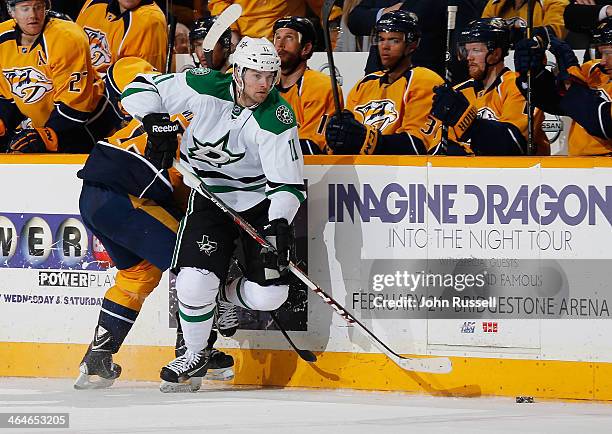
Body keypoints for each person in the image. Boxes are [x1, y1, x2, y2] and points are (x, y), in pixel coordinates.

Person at [121, 36, 306, 391]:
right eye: (256, 75)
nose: (265, 84)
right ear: (237, 72)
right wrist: (154, 118)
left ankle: (225, 295)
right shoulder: (204, 85)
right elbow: (139, 88)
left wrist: (280, 221)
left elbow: (287, 185)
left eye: (271, 75)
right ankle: (194, 354)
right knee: (193, 282)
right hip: (208, 196)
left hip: (258, 203)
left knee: (272, 296)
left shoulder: (277, 117)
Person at [74, 56, 237, 390]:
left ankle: (97, 359)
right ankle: (195, 352)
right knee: (195, 263)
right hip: (125, 197)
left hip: (93, 197)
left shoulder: (166, 109)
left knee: (139, 273)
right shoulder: (206, 124)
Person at [0, 0, 114, 153]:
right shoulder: (2, 38)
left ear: (46, 8)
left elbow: (75, 105)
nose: (32, 15)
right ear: (12, 12)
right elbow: (8, 95)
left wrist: (46, 136)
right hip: (44, 121)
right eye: (25, 9)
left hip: (87, 123)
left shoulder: (67, 38)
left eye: (38, 7)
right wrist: (3, 121)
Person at [326, 10, 445, 155]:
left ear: (412, 45)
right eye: (381, 39)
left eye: (394, 40)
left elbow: (416, 145)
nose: (385, 46)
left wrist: (367, 139)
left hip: (403, 172)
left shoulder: (424, 80)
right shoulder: (365, 83)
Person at [430, 18, 550, 155]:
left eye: (475, 50)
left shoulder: (520, 86)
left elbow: (514, 145)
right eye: (466, 50)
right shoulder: (458, 92)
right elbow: (439, 148)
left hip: (520, 173)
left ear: (495, 54)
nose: (469, 57)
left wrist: (468, 121)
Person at [514, 17, 612, 155]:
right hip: (578, 167)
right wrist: (535, 74)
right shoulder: (593, 71)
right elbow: (558, 103)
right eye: (601, 53)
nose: (603, 61)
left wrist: (569, 75)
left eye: (608, 53)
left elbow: (604, 125)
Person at [273, 16, 341, 155]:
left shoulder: (320, 86)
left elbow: (311, 147)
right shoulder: (264, 85)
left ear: (306, 48)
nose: (280, 44)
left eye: (289, 38)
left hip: (310, 171)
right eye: (277, 37)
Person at [347, 0, 447, 76]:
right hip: (377, 72)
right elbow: (354, 20)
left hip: (421, 73)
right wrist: (384, 13)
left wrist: (399, 13)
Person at [76, 0, 167, 75]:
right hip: (80, 85)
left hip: (115, 93)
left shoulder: (150, 21)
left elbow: (137, 84)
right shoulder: (93, 4)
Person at [481, 0, 569, 38]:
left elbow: (554, 33)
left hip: (540, 61)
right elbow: (482, 32)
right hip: (501, 62)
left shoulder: (556, 2)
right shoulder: (495, 3)